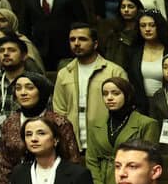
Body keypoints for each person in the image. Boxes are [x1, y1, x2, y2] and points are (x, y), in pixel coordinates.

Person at [50, 23, 124, 152]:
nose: (76, 43)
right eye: (72, 39)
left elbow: (124, 109)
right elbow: (59, 111)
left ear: (95, 44)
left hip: (105, 145)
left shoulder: (114, 71)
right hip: (72, 144)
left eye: (82, 39)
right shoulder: (64, 73)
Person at [86, 75, 155, 184]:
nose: (109, 98)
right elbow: (91, 161)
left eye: (116, 93)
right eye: (105, 94)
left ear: (127, 95)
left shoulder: (146, 124)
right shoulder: (96, 124)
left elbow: (147, 163)